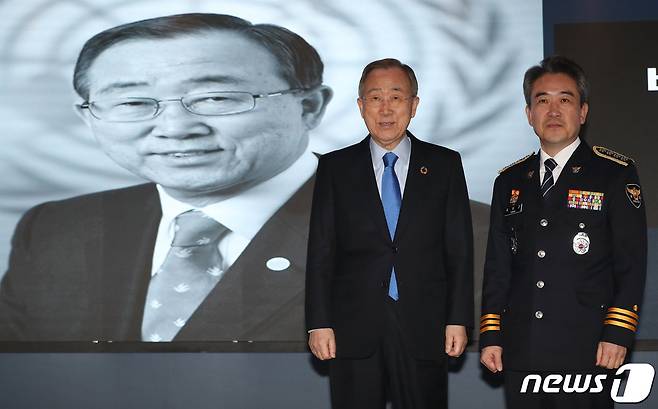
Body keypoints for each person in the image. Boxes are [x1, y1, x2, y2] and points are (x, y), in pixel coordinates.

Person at [0, 13, 333, 342]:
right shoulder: (55, 229)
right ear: (88, 118)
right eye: (132, 102)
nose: (176, 128)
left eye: (215, 98)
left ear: (309, 107)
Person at [479, 56, 647, 409]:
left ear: (583, 111)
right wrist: (492, 332)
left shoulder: (613, 174)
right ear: (529, 114)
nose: (553, 110)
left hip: (587, 349)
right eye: (542, 100)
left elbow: (630, 263)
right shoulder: (509, 181)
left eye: (565, 100)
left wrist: (617, 333)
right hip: (521, 348)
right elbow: (497, 266)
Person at [306, 58, 474, 409]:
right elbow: (321, 251)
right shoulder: (335, 168)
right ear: (360, 106)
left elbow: (458, 249)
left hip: (424, 324)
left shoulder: (445, 164)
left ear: (413, 106)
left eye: (396, 97)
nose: (385, 109)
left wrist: (457, 318)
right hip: (353, 328)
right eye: (374, 97)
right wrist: (318, 323)